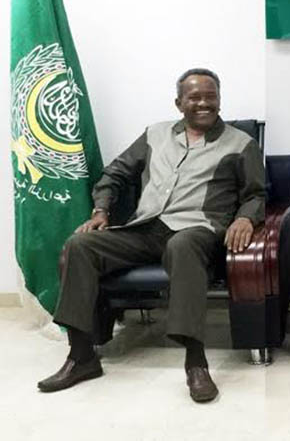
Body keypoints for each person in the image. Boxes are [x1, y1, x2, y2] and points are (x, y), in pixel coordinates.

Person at [37, 68, 265, 403]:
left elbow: (256, 193)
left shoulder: (241, 143)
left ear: (219, 99)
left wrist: (245, 218)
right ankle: (82, 356)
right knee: (80, 245)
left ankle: (196, 362)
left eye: (211, 96)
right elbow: (114, 174)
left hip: (197, 231)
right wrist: (101, 211)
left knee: (182, 243)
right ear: (179, 103)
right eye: (195, 97)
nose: (204, 103)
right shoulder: (154, 135)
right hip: (145, 228)